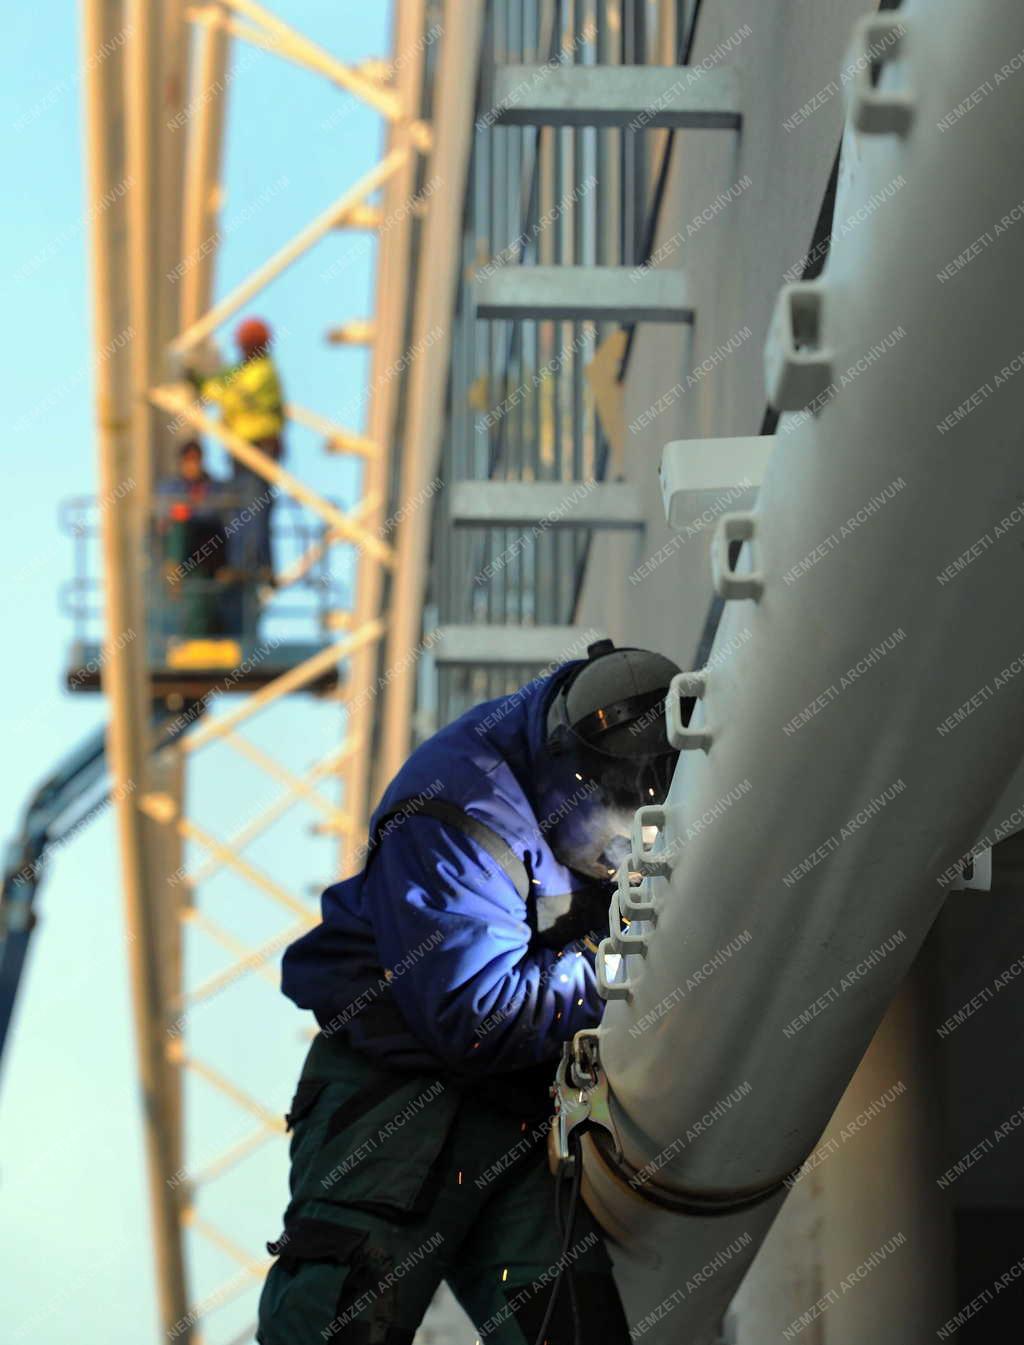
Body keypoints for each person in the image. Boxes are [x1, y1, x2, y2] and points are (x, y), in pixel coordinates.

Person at [257, 639, 682, 1344]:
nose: (619, 859)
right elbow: (476, 1014)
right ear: (567, 778)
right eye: (612, 837)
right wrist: (619, 967)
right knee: (344, 1320)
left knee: (572, 1327)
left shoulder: (606, 727)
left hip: (513, 1110)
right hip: (394, 1100)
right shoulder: (460, 811)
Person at [190, 315, 284, 587]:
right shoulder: (242, 370)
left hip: (258, 450)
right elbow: (221, 384)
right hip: (242, 453)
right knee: (244, 507)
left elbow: (234, 394)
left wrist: (208, 388)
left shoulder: (263, 373)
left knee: (254, 508)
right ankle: (248, 564)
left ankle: (254, 565)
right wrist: (200, 382)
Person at [154, 441, 228, 638]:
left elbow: (216, 515)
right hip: (180, 544)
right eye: (188, 460)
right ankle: (174, 569)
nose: (192, 465)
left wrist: (193, 509)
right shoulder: (171, 487)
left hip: (208, 543)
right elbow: (164, 517)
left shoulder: (216, 487)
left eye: (196, 460)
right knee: (179, 522)